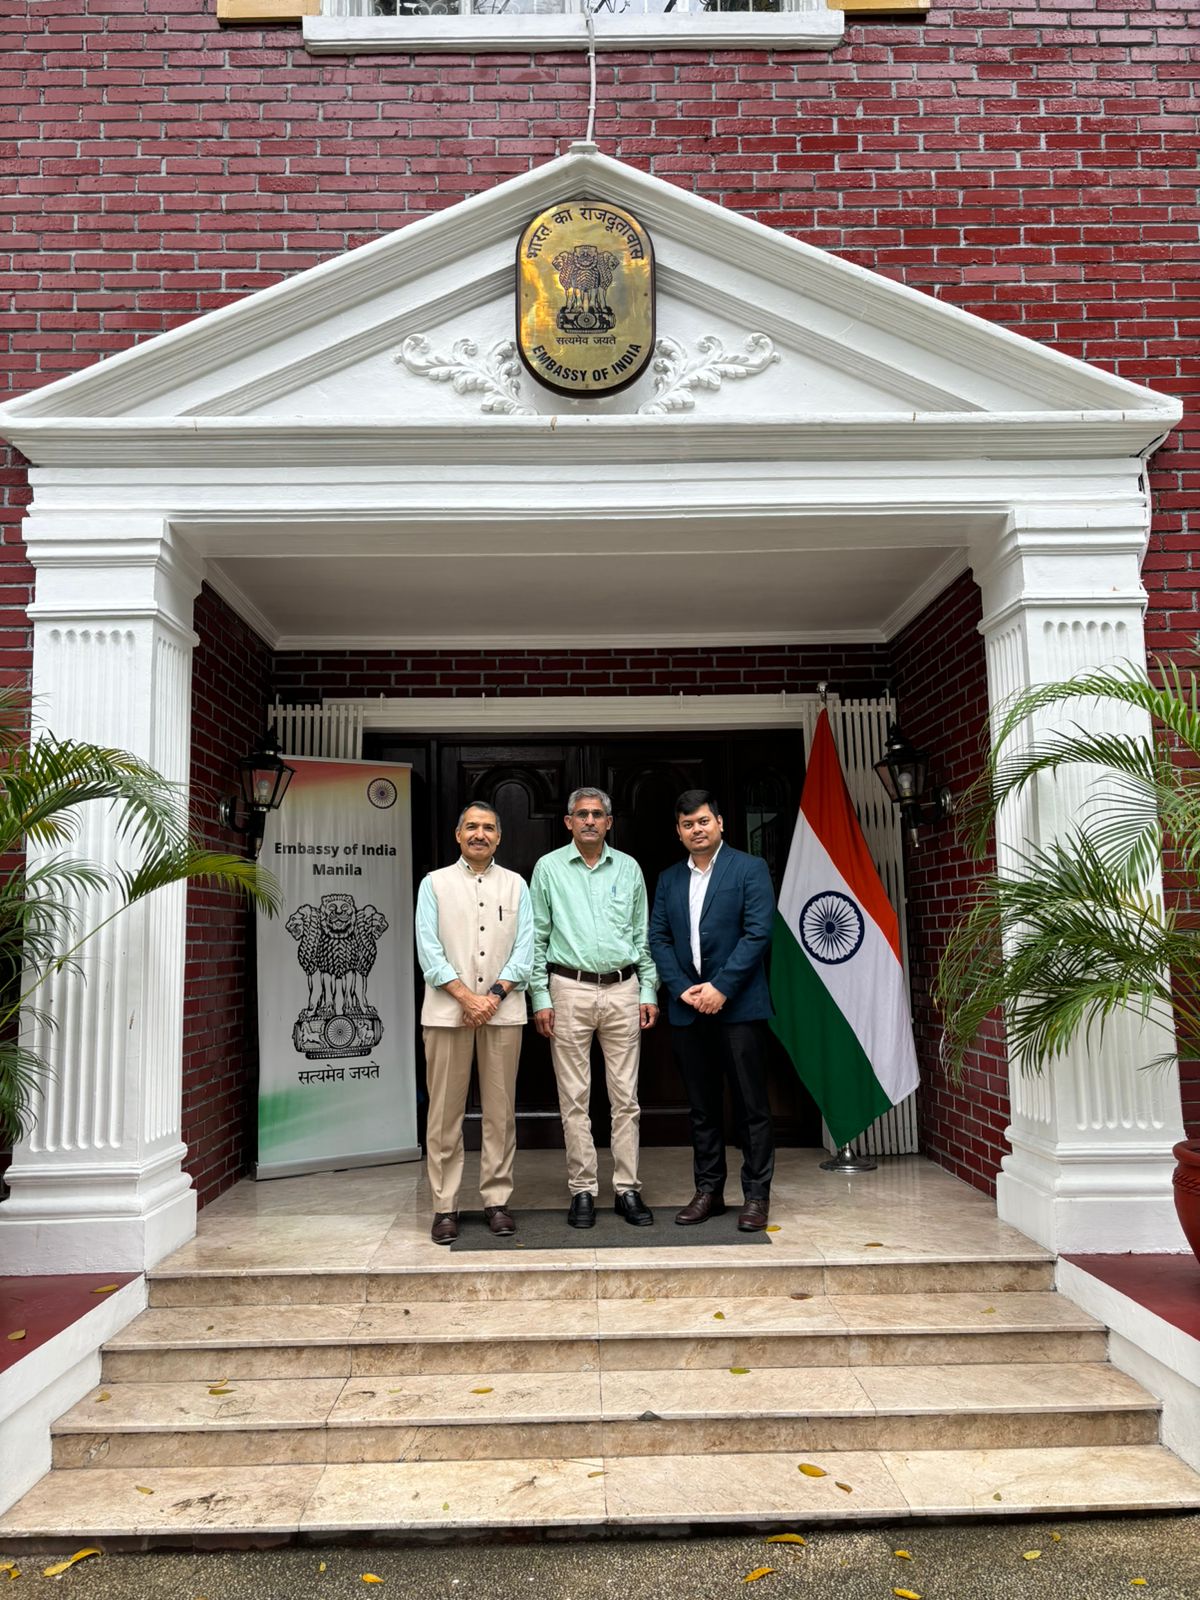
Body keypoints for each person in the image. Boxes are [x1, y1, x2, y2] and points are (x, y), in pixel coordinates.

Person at [529, 786, 659, 1228]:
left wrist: (648, 991)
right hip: (569, 988)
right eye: (582, 814)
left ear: (609, 822)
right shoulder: (548, 868)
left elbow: (641, 936)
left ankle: (627, 1190)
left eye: (597, 814)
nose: (589, 820)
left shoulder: (628, 868)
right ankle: (582, 1190)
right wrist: (540, 997)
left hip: (623, 990)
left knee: (626, 1099)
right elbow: (537, 937)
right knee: (574, 1098)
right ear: (568, 822)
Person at [648, 788, 776, 1232]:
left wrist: (721, 987)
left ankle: (756, 1196)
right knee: (702, 1108)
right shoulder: (669, 879)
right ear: (678, 831)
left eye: (703, 821)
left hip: (739, 1008)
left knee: (751, 1107)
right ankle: (709, 1191)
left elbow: (758, 933)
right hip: (688, 1010)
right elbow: (658, 938)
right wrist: (682, 988)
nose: (696, 830)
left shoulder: (749, 868)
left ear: (719, 823)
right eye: (688, 824)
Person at [414, 802, 533, 1245]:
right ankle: (445, 1206)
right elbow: (428, 949)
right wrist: (466, 997)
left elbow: (526, 949)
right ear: (457, 834)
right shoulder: (434, 884)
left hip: (503, 1012)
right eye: (471, 827)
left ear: (499, 837)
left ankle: (497, 1201)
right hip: (447, 1015)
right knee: (444, 1114)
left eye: (487, 828)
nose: (479, 834)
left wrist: (492, 997)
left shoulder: (516, 885)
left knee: (501, 1114)